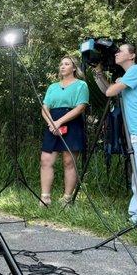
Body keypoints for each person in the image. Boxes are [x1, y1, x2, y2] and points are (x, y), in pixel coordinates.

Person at [94, 44, 137, 223]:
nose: (116, 53)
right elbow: (108, 91)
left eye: (121, 51)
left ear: (132, 56)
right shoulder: (129, 75)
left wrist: (114, 83)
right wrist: (98, 73)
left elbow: (110, 91)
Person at [40, 56, 89, 206]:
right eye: (61, 64)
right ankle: (45, 198)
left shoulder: (81, 85)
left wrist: (60, 122)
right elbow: (45, 107)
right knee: (45, 160)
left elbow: (81, 107)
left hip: (72, 122)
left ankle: (67, 199)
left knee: (69, 162)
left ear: (74, 68)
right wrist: (51, 123)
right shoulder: (53, 86)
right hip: (52, 123)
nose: (62, 66)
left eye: (66, 64)